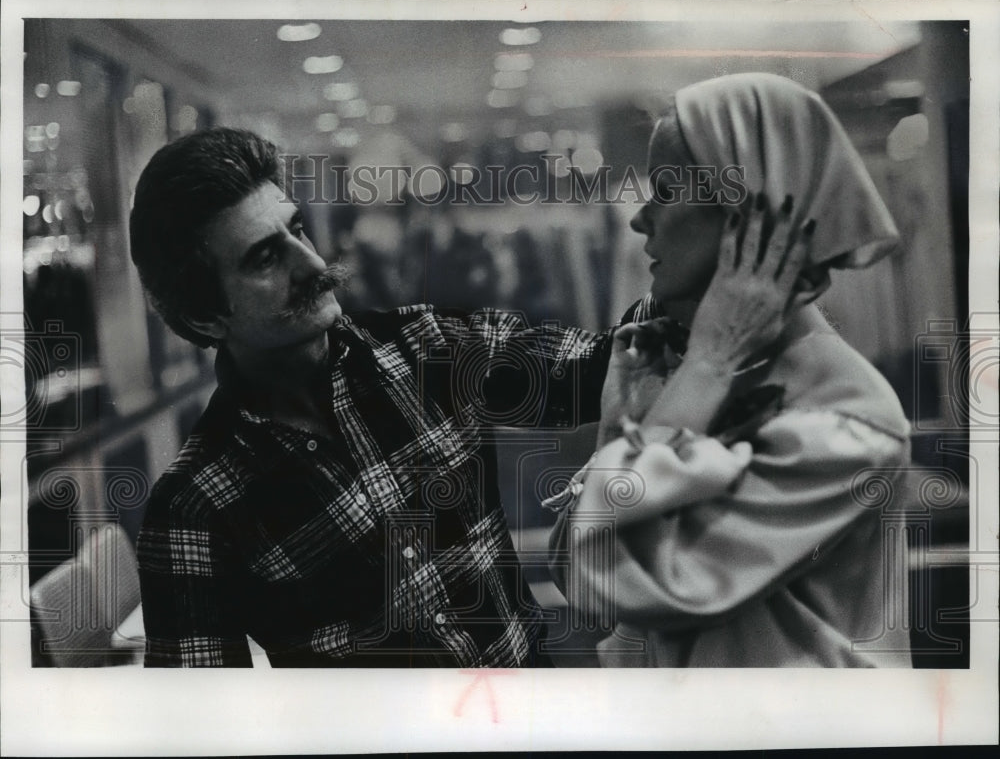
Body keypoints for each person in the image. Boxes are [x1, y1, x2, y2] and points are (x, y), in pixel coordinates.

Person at [129, 127, 626, 667]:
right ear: (204, 314)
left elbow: (610, 365)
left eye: (298, 231)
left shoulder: (430, 349)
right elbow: (203, 726)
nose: (315, 267)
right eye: (267, 259)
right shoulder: (195, 506)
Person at [547, 73, 913, 667]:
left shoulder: (848, 422)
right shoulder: (701, 371)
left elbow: (618, 572)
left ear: (753, 216)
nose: (641, 219)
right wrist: (624, 427)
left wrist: (708, 368)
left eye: (665, 191)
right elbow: (583, 590)